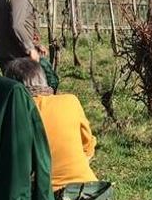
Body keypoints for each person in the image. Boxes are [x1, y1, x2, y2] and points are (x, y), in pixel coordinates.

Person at [8, 58, 96, 192]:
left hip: (43, 197)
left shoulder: (16, 112)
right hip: (88, 190)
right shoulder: (71, 101)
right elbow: (88, 147)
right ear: (44, 79)